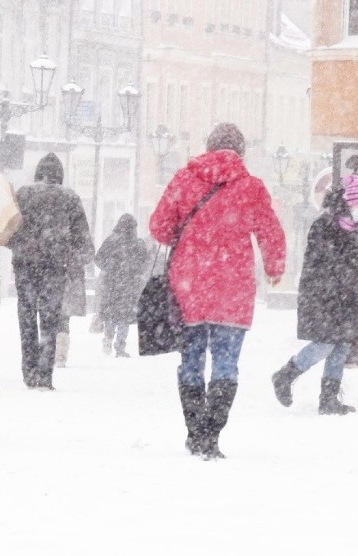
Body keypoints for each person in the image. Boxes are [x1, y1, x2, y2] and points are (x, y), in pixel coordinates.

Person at [150, 122, 286, 459]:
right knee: (226, 364)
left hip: (189, 287)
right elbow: (270, 231)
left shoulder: (184, 179)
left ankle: (195, 431)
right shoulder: (251, 187)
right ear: (240, 152)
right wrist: (274, 266)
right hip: (232, 289)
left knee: (191, 361)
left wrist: (188, 236)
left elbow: (159, 227)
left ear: (209, 148)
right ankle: (211, 433)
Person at [271, 174, 358, 415]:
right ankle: (285, 375)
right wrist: (330, 289)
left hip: (346, 294)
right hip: (323, 294)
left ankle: (328, 399)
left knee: (341, 346)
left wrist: (350, 293)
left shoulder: (355, 229)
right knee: (325, 344)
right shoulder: (324, 225)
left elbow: (351, 265)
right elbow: (318, 264)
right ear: (351, 202)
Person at [8, 153, 93, 389]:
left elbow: (9, 229)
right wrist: (72, 253)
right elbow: (82, 240)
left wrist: (21, 246)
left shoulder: (23, 194)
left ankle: (29, 371)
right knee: (50, 319)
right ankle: (45, 374)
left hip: (25, 265)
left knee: (26, 318)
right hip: (55, 267)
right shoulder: (70, 198)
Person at [95, 214, 149, 357]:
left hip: (111, 284)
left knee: (111, 314)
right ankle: (120, 346)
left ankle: (108, 339)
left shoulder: (111, 241)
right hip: (128, 285)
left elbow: (98, 259)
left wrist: (109, 266)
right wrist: (134, 269)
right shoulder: (137, 244)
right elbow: (144, 263)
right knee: (124, 316)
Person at [55, 237, 94, 368]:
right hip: (71, 282)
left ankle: (54, 353)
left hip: (54, 280)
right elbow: (89, 254)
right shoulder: (78, 230)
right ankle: (60, 354)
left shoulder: (53, 228)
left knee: (55, 319)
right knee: (62, 320)